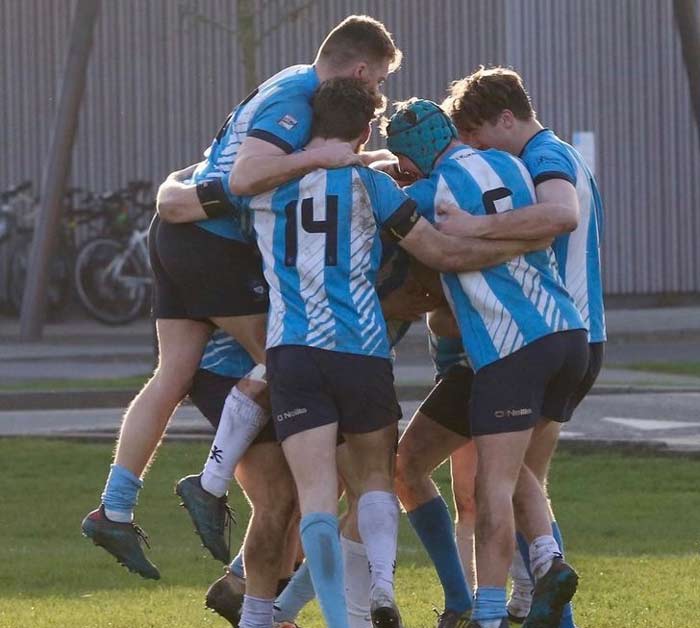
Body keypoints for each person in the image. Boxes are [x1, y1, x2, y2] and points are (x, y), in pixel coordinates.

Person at [81, 14, 403, 582]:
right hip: (213, 243)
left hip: (185, 236)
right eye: (377, 82)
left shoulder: (290, 83)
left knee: (174, 374)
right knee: (292, 354)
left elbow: (231, 162)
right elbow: (250, 172)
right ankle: (209, 486)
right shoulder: (302, 95)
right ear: (359, 70)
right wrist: (320, 159)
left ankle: (115, 507)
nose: (375, 95)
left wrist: (363, 162)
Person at [245, 78, 549, 628]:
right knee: (377, 480)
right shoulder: (375, 187)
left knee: (316, 494)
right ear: (365, 131)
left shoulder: (265, 190)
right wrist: (521, 242)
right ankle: (385, 589)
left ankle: (302, 615)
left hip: (290, 349)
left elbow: (199, 194)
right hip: (360, 350)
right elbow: (438, 253)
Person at [385, 98, 589, 628]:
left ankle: (490, 613)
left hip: (507, 347)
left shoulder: (427, 196)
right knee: (515, 466)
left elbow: (426, 255)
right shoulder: (511, 162)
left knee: (489, 487)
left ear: (413, 152)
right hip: (566, 334)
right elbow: (549, 221)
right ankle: (546, 559)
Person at [441, 66, 606, 626]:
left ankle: (542, 609)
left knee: (505, 481)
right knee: (519, 483)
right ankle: (527, 598)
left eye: (479, 137)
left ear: (507, 119)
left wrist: (470, 228)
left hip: (547, 332)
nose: (477, 150)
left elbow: (561, 214)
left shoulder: (544, 156)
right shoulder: (546, 154)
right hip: (569, 334)